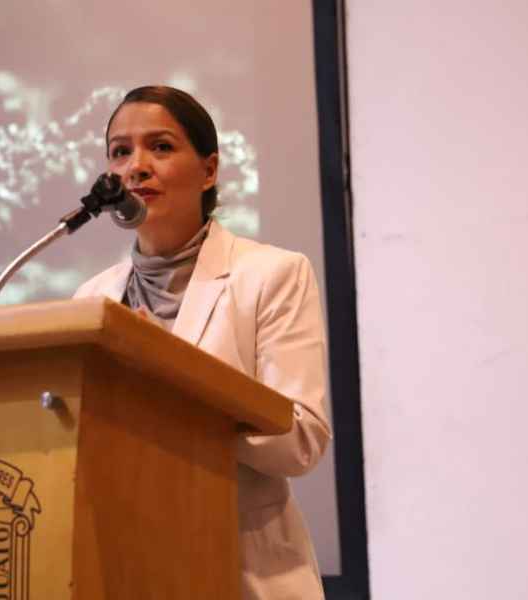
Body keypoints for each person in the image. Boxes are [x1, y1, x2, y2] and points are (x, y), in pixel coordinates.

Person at [73, 85, 331, 600]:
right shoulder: (92, 299)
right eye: (120, 152)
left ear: (209, 170)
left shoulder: (272, 274)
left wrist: (169, 374)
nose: (136, 167)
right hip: (127, 570)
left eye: (160, 147)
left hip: (243, 573)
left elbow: (301, 441)